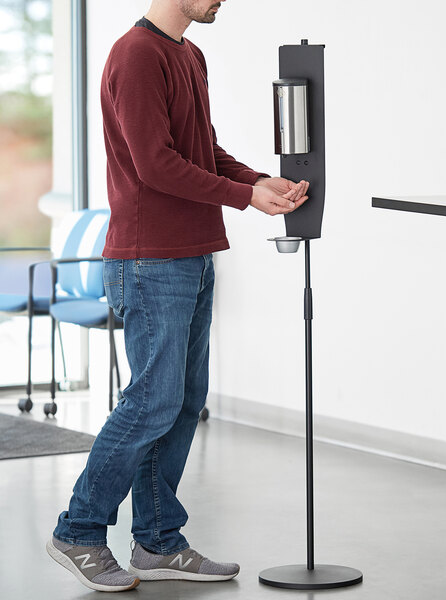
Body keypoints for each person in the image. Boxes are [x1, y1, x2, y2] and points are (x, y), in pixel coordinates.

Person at [46, 0, 309, 592]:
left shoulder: (190, 54)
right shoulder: (136, 54)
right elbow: (156, 165)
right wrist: (244, 200)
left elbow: (201, 153)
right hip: (149, 259)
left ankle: (157, 541)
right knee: (151, 402)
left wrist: (256, 181)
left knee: (184, 400)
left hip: (192, 253)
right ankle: (79, 530)